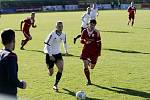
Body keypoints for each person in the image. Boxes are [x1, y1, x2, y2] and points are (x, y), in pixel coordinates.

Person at [0, 29, 26, 98]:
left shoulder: (1, 53)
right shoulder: (11, 56)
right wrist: (21, 84)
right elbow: (12, 78)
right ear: (13, 40)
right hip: (8, 94)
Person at [44, 21, 68, 92]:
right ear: (56, 27)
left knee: (61, 68)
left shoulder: (63, 35)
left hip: (58, 54)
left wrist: (66, 50)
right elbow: (47, 45)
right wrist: (50, 55)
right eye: (59, 26)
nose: (60, 28)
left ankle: (55, 85)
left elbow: (65, 43)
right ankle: (49, 70)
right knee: (51, 73)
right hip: (50, 54)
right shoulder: (52, 34)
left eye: (61, 26)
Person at [80, 19, 101, 85]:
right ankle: (88, 80)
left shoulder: (96, 32)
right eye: (91, 24)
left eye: (93, 25)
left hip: (94, 51)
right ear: (88, 24)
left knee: (92, 67)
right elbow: (81, 40)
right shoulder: (84, 31)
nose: (92, 26)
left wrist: (99, 52)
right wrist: (85, 42)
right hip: (86, 50)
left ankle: (89, 61)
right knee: (85, 65)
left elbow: (99, 43)